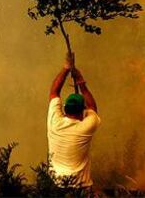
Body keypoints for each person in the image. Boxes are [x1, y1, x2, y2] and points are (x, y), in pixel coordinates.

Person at [47, 54, 100, 188]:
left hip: (56, 186)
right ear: (83, 110)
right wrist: (81, 83)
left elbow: (54, 92)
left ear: (64, 109)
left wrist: (66, 67)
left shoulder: (54, 123)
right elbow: (93, 108)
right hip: (80, 188)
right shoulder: (85, 128)